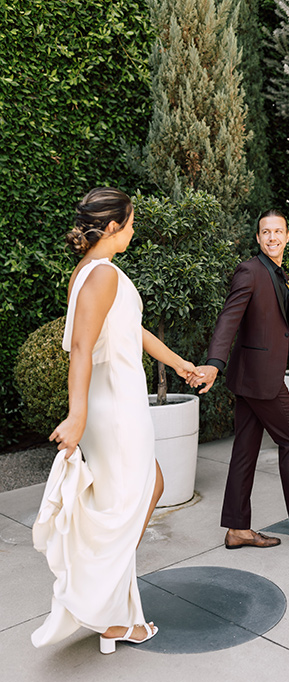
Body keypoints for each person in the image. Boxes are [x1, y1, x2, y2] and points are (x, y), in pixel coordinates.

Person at [31, 187, 203, 654]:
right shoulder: (102, 275)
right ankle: (109, 613)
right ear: (110, 228)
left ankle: (116, 617)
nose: (133, 229)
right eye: (129, 223)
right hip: (117, 408)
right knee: (131, 503)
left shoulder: (90, 272)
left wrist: (181, 364)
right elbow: (83, 347)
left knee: (139, 493)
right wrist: (77, 415)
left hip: (116, 404)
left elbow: (133, 330)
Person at [194, 209, 289, 549]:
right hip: (262, 381)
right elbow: (228, 320)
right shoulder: (250, 271)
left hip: (251, 380)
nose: (273, 237)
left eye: (278, 232)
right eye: (266, 232)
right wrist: (214, 363)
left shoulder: (278, 275)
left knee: (245, 450)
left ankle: (237, 529)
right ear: (258, 238)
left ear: (287, 236)